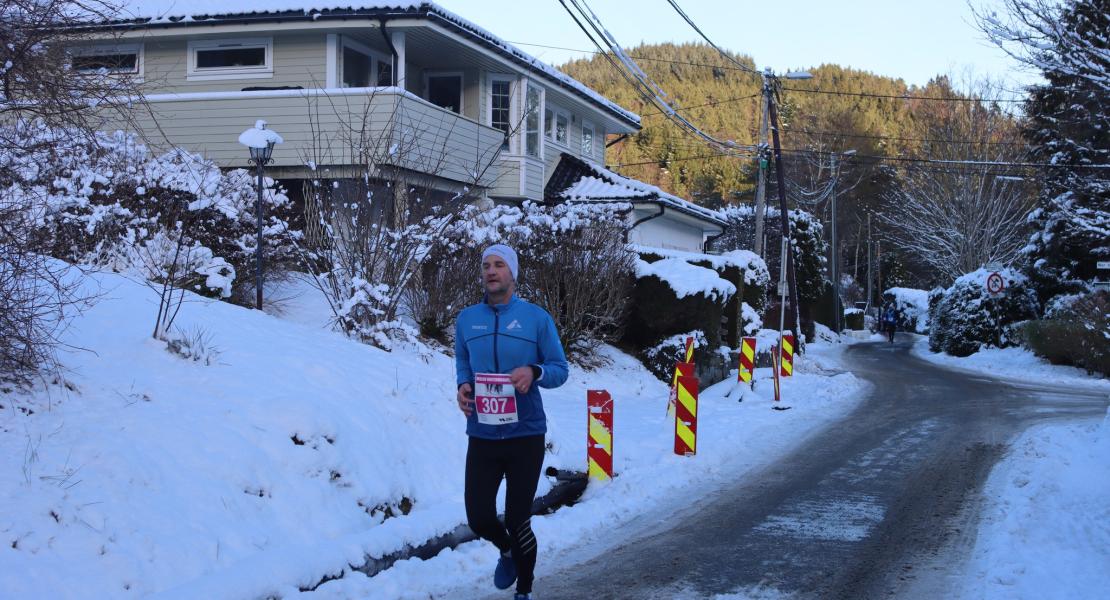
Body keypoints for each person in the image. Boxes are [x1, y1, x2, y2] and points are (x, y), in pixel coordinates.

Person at [455, 244, 568, 600]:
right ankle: (507, 551)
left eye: (499, 264)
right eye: (486, 265)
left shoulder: (536, 319)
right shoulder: (466, 319)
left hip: (525, 435)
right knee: (479, 518)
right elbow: (463, 361)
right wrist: (463, 385)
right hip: (483, 434)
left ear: (513, 274)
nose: (491, 271)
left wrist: (534, 372)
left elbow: (559, 369)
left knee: (518, 519)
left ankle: (525, 590)